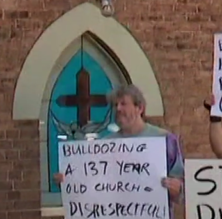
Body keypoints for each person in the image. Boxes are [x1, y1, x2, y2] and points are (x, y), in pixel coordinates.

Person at [55, 85, 186, 209]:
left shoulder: (164, 140)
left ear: (139, 108)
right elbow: (92, 186)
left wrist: (178, 188)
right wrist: (69, 182)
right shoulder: (105, 145)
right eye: (115, 105)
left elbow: (184, 186)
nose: (117, 109)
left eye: (123, 104)